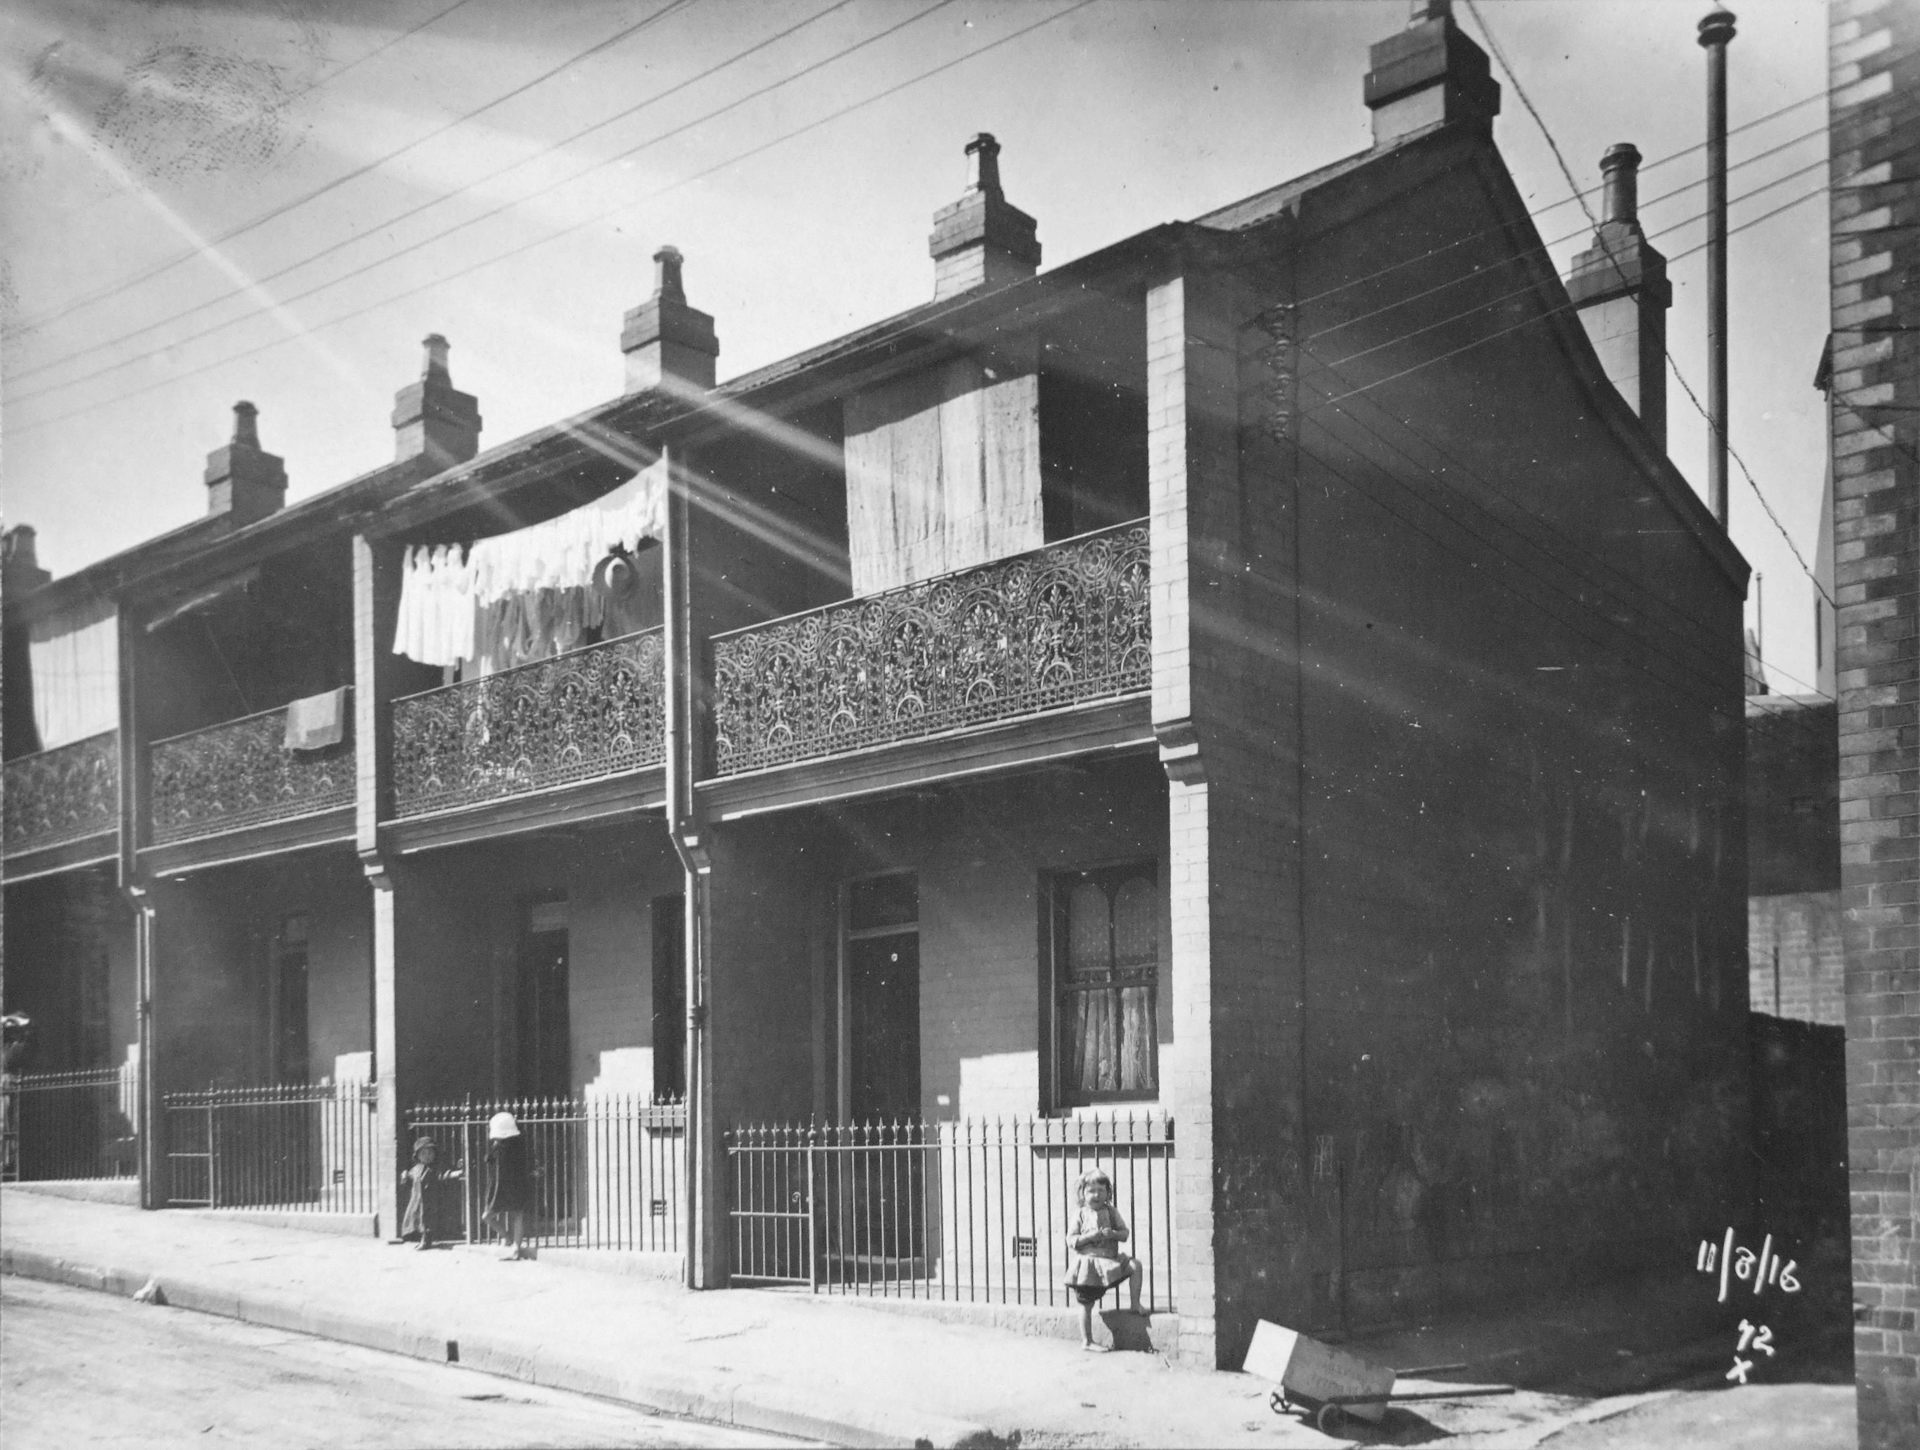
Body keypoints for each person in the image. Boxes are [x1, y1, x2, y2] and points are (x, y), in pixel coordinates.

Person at [1063, 1167, 1144, 1351]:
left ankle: (1135, 1303)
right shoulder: (1081, 1213)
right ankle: (1087, 1340)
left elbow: (1125, 1234)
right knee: (1086, 1303)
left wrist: (1113, 1234)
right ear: (1083, 1194)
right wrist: (1089, 1237)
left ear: (1108, 1192)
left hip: (1110, 1263)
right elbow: (1070, 1240)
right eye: (1091, 1191)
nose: (1096, 1195)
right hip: (1089, 1265)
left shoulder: (1111, 1211)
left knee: (1134, 1265)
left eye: (1101, 1190)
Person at [483, 1111, 531, 1260]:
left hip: (503, 1187)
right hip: (515, 1185)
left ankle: (512, 1243)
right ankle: (512, 1242)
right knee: (516, 1216)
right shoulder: (516, 1145)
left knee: (488, 1216)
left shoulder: (501, 1148)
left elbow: (491, 1163)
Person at [398, 1134, 456, 1250]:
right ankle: (421, 1239)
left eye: (430, 1153)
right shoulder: (416, 1169)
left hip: (432, 1201)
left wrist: (454, 1174)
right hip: (417, 1201)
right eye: (423, 1153)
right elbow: (409, 1179)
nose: (427, 1156)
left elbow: (443, 1175)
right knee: (418, 1220)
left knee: (428, 1222)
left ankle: (426, 1241)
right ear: (418, 1156)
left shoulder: (436, 1168)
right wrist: (404, 1176)